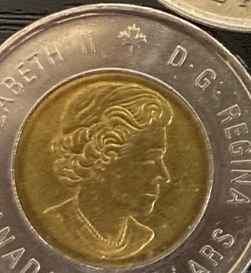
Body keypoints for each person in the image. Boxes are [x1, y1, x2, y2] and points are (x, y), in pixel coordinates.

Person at [39, 79, 174, 263]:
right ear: (101, 157)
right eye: (150, 159)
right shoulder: (53, 226)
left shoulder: (143, 237)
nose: (163, 176)